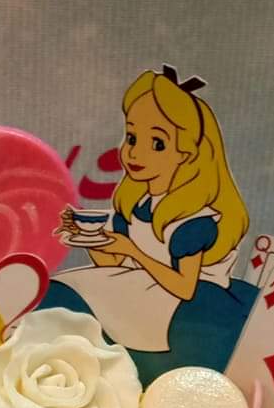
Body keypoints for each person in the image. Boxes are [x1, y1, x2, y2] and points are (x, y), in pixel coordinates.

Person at [42, 67, 256, 385]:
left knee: (77, 303)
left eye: (157, 143)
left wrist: (133, 252)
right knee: (60, 292)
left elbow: (185, 287)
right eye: (132, 137)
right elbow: (114, 265)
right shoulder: (138, 203)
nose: (135, 152)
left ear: (186, 153)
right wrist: (88, 240)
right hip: (144, 288)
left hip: (191, 308)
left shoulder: (193, 221)